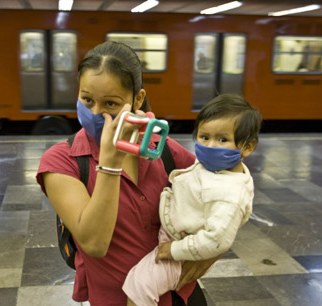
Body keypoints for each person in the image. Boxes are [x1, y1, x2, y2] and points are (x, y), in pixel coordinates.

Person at [37, 40, 218, 306]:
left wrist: (205, 257)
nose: (95, 113)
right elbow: (95, 243)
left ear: (138, 100)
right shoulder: (63, 161)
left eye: (110, 103)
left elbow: (222, 194)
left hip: (180, 296)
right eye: (87, 100)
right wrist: (110, 163)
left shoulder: (162, 150)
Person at [123, 94, 262, 306]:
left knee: (138, 286)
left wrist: (174, 250)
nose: (210, 145)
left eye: (222, 139)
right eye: (204, 137)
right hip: (178, 240)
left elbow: (216, 240)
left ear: (247, 147)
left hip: (182, 251)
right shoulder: (216, 168)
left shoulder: (230, 194)